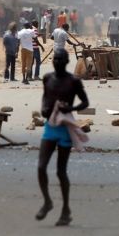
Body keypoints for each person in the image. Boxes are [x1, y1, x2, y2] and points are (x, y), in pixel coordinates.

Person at [36, 48, 89, 226]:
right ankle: (47, 201)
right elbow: (45, 97)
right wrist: (44, 108)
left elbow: (85, 102)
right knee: (41, 167)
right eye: (55, 59)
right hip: (50, 126)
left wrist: (71, 109)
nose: (57, 62)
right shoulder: (47, 78)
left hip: (65, 128)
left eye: (60, 59)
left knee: (60, 171)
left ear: (66, 61)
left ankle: (66, 209)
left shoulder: (73, 81)